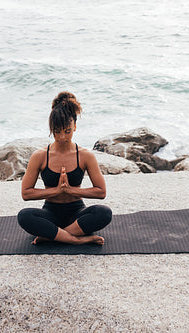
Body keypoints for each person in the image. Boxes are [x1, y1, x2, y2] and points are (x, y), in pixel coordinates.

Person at [17, 91, 112, 245]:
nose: (62, 137)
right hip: (50, 213)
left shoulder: (84, 155)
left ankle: (53, 235)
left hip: (77, 213)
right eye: (57, 132)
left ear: (74, 126)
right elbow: (26, 193)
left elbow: (101, 191)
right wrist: (57, 191)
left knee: (104, 213)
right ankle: (76, 239)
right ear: (51, 129)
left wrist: (70, 190)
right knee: (24, 216)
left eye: (67, 131)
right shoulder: (40, 156)